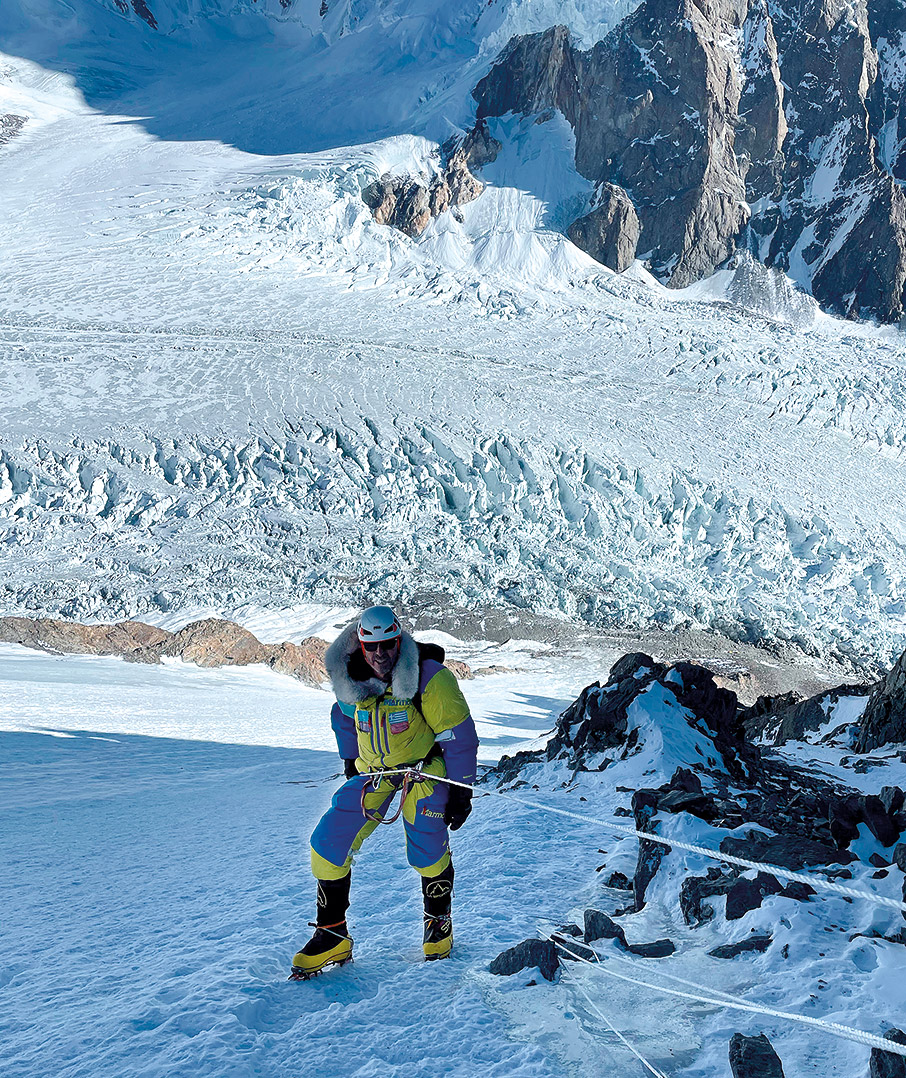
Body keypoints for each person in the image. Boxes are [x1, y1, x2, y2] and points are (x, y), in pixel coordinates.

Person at [290, 605, 479, 978]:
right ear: (360, 646)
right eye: (371, 646)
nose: (381, 654)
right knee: (328, 842)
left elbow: (458, 736)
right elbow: (343, 718)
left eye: (389, 644)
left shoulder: (429, 678)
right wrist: (350, 761)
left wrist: (461, 790)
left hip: (424, 769)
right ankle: (332, 935)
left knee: (427, 844)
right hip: (373, 772)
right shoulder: (351, 680)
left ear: (399, 640)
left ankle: (438, 920)